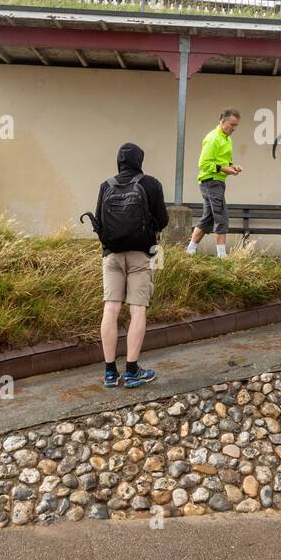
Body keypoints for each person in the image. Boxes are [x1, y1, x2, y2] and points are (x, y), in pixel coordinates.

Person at [92, 142, 169, 388]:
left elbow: (99, 223)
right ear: (140, 161)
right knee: (137, 310)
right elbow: (163, 221)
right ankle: (132, 371)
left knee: (111, 309)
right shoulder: (151, 184)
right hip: (140, 256)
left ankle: (110, 372)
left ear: (119, 161)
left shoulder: (106, 186)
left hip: (112, 256)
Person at [187, 108, 242, 257]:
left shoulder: (227, 138)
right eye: (232, 124)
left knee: (209, 217)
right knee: (221, 216)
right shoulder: (213, 138)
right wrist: (225, 170)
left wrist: (233, 167)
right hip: (211, 181)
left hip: (215, 181)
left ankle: (190, 250)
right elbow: (203, 164)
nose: (234, 128)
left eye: (236, 125)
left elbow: (225, 161)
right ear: (222, 121)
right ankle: (221, 256)